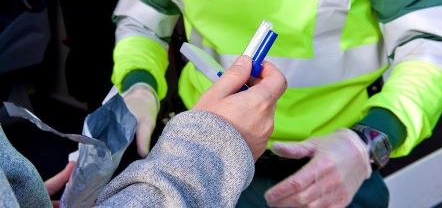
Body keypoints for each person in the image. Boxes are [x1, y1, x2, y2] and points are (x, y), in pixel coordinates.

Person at [111, 0, 442, 207]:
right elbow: (142, 24)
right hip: (203, 154)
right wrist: (138, 84)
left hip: (331, 164)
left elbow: (432, 47)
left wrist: (369, 141)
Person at [0, 56, 287, 207]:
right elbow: (140, 20)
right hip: (219, 152)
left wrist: (22, 197)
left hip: (318, 160)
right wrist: (213, 145)